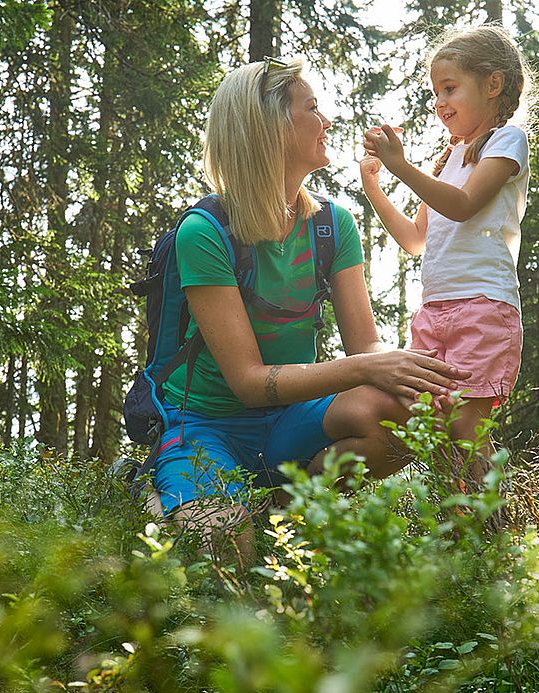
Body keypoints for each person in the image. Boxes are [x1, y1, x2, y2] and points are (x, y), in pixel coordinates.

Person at [153, 57, 470, 559]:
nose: (327, 122)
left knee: (410, 414)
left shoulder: (331, 226)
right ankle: (178, 490)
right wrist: (369, 366)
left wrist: (404, 374)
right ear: (271, 128)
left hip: (288, 420)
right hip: (206, 425)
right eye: (312, 108)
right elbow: (249, 383)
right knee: (225, 548)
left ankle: (284, 511)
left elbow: (365, 345)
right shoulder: (204, 233)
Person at [361, 25, 532, 477]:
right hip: (435, 311)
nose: (440, 102)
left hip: (482, 306)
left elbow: (461, 206)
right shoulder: (451, 156)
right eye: (436, 92)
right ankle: (460, 534)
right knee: (430, 423)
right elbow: (416, 239)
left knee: (465, 426)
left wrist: (400, 165)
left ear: (492, 85)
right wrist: (375, 186)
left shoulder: (506, 141)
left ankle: (489, 539)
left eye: (450, 88)